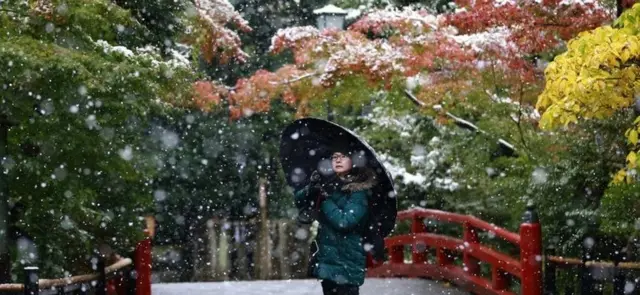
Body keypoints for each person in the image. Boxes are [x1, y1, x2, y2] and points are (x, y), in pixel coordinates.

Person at [294, 146, 377, 295]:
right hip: (328, 260)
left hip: (347, 262)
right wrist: (311, 188)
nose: (338, 159)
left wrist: (325, 201)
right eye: (334, 156)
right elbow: (299, 200)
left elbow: (344, 221)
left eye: (344, 156)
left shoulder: (359, 191)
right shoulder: (327, 183)